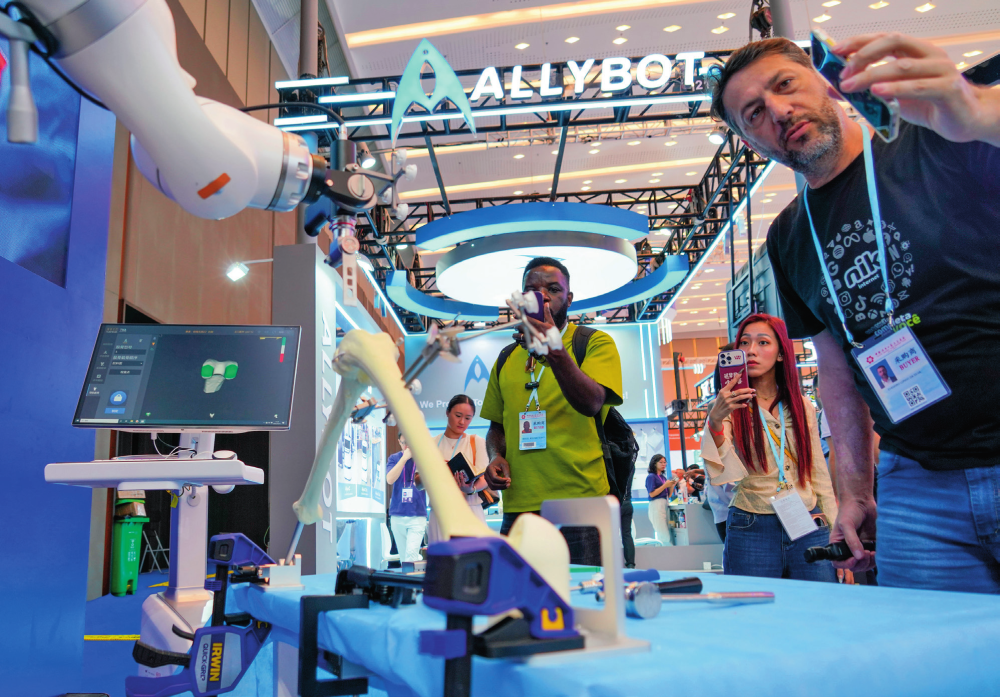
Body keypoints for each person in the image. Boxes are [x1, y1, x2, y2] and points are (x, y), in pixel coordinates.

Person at [710, 33, 1000, 591]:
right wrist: (855, 493)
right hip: (916, 483)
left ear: (826, 80)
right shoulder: (789, 236)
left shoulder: (935, 137)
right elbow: (838, 373)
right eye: (754, 114)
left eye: (785, 84)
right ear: (751, 143)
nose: (778, 110)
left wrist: (980, 111)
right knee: (932, 645)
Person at [482, 256, 624, 559]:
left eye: (553, 289)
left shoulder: (594, 343)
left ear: (569, 299)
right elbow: (497, 426)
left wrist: (554, 349)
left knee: (583, 589)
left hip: (580, 505)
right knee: (517, 590)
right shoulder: (506, 357)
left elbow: (591, 403)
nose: (543, 296)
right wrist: (495, 456)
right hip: (518, 506)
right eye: (532, 291)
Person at [700, 313, 838, 581]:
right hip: (751, 522)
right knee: (755, 604)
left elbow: (818, 473)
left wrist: (835, 532)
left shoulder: (801, 405)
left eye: (763, 342)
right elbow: (724, 473)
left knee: (818, 602)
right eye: (744, 342)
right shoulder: (728, 406)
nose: (751, 350)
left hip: (807, 519)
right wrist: (715, 421)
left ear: (781, 353)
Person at [427, 395, 490, 544]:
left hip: (470, 509)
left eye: (468, 418)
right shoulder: (431, 444)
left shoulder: (477, 442)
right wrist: (435, 470)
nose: (462, 422)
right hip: (440, 511)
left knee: (473, 555)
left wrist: (471, 489)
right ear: (447, 412)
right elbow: (418, 483)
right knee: (442, 557)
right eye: (458, 416)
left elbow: (485, 478)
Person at [385, 433, 426, 562]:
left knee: (411, 556)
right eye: (404, 443)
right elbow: (390, 479)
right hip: (397, 515)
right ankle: (410, 575)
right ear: (399, 442)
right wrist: (404, 459)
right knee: (404, 559)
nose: (407, 446)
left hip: (417, 515)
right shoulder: (394, 458)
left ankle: (414, 574)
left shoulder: (423, 458)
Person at [644, 454, 676, 545]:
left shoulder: (663, 477)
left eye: (665, 462)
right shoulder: (651, 477)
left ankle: (665, 550)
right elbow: (652, 493)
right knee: (663, 534)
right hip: (656, 505)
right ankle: (665, 551)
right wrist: (665, 485)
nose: (663, 464)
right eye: (661, 462)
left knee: (668, 532)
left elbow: (668, 495)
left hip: (665, 504)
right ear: (654, 463)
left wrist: (671, 486)